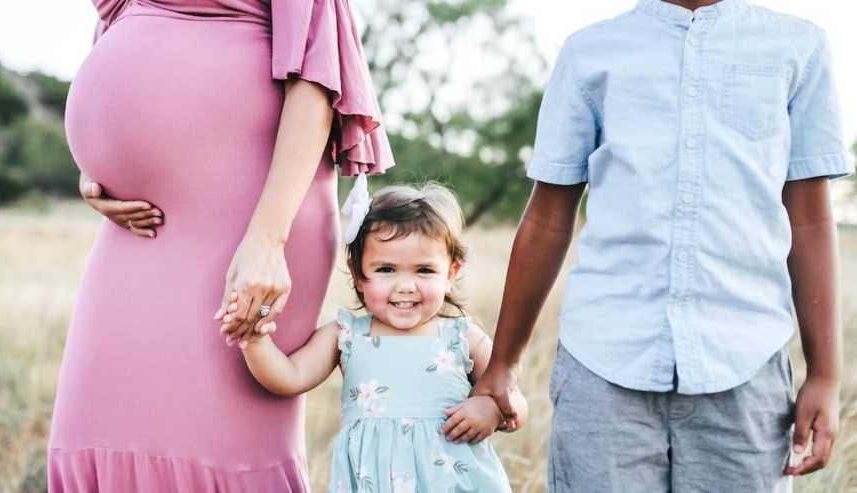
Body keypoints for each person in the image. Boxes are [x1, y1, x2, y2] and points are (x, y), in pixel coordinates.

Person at [472, 0, 854, 491]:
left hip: (746, 365)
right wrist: (503, 362)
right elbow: (548, 216)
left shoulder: (799, 47)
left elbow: (809, 220)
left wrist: (825, 376)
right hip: (603, 364)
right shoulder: (590, 52)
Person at [48, 0, 393, 490]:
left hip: (253, 217)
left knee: (226, 441)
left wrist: (268, 239)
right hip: (136, 230)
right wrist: (98, 165)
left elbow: (315, 81)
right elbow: (113, 32)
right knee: (97, 422)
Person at [232, 183, 525, 492]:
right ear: (358, 274)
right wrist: (255, 341)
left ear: (450, 273)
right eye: (386, 269)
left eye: (424, 270)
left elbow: (515, 398)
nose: (405, 286)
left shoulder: (462, 337)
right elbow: (289, 377)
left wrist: (492, 410)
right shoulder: (346, 335)